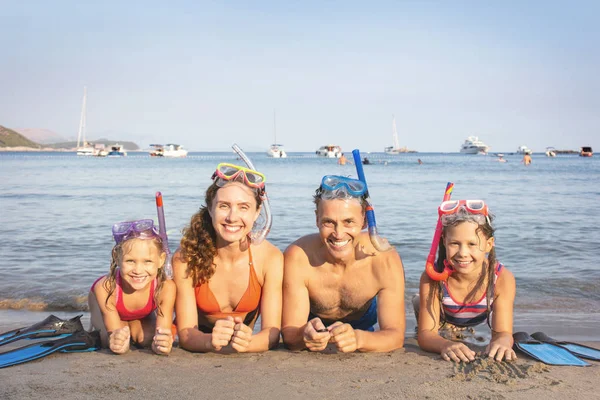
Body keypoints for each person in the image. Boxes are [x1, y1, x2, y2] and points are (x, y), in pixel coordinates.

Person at [282, 175, 405, 352]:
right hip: (312, 326)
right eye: (329, 222)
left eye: (348, 222)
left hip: (363, 325)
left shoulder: (384, 259)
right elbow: (290, 337)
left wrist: (359, 339)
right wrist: (303, 335)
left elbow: (395, 336)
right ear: (317, 218)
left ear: (364, 220)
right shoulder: (298, 257)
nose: (339, 234)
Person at [172, 163, 283, 353]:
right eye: (224, 206)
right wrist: (209, 342)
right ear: (210, 208)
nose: (233, 217)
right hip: (201, 340)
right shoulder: (187, 258)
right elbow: (186, 335)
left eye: (243, 207)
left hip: (244, 343)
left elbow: (271, 334)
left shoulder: (270, 258)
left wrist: (249, 344)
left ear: (257, 212)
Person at [416, 200, 516, 362]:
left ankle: (454, 328)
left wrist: (502, 342)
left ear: (489, 244)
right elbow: (426, 335)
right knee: (418, 302)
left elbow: (503, 332)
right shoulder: (432, 278)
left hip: (478, 315)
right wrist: (444, 344)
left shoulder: (501, 278)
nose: (463, 253)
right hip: (444, 314)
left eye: (472, 244)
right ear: (444, 242)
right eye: (454, 243)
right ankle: (445, 324)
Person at [89, 219, 176, 355]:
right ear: (117, 258)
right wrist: (118, 343)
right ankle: (121, 325)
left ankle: (131, 325)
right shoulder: (105, 288)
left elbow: (163, 330)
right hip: (103, 306)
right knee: (107, 341)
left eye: (147, 261)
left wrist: (161, 343)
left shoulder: (166, 287)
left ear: (161, 260)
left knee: (147, 339)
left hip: (139, 313)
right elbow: (115, 336)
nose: (138, 270)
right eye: (130, 261)